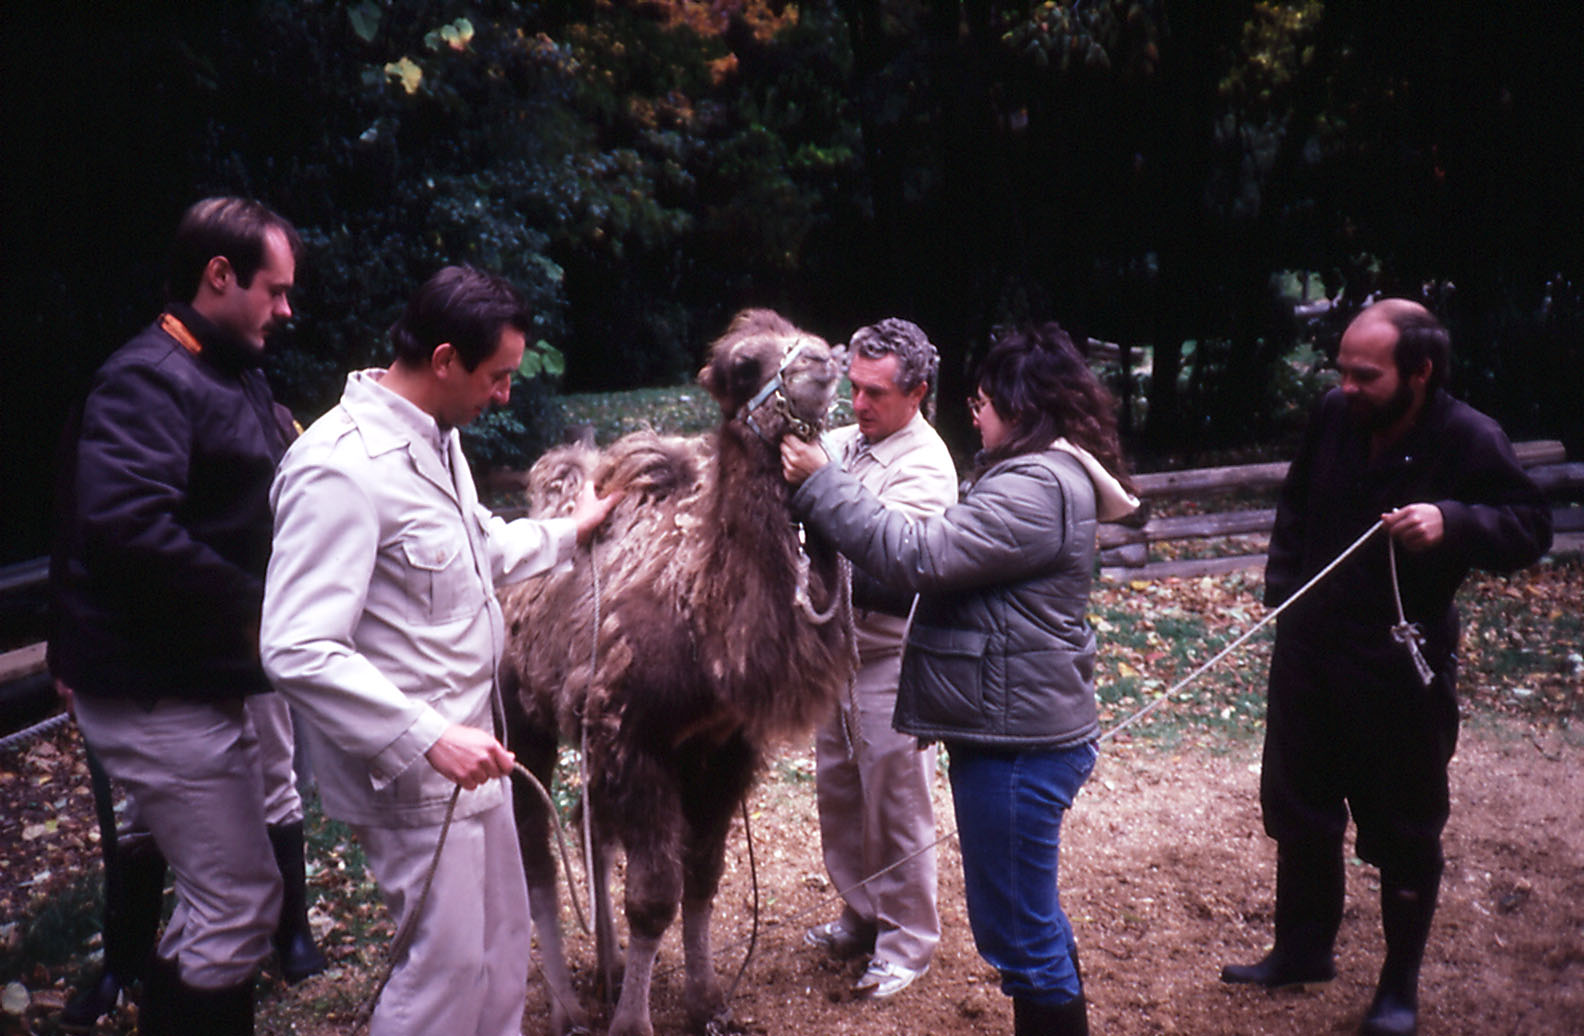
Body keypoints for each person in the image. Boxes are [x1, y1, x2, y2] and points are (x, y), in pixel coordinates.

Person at [259, 265, 621, 1036]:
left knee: (494, 953)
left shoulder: (433, 437)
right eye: (498, 376)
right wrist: (427, 737)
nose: (505, 396)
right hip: (416, 773)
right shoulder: (340, 466)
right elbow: (295, 647)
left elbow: (476, 548)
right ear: (447, 358)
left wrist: (571, 531)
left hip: (473, 749)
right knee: (443, 975)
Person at [782, 323, 1139, 1036]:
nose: (974, 413)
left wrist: (820, 483)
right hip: (1010, 728)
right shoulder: (1030, 471)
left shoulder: (1035, 488)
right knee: (1025, 919)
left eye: (983, 402)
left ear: (1022, 406)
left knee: (1019, 933)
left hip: (1020, 744)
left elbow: (917, 556)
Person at [1220, 299, 1553, 1035]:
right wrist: (1285, 603)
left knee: (1405, 828)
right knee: (1299, 808)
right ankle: (1302, 952)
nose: (1345, 386)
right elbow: (1295, 509)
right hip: (1310, 651)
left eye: (1364, 375)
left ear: (1421, 372)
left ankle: (1397, 990)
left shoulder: (1470, 438)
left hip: (1400, 664)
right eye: (1340, 370)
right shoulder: (1333, 418)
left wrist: (1454, 522)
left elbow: (1530, 527)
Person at [48, 197, 327, 1035]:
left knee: (228, 898)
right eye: (274, 291)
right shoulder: (149, 377)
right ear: (219, 275)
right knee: (241, 901)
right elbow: (129, 529)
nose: (287, 309)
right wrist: (269, 612)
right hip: (152, 690)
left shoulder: (230, 372)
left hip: (199, 680)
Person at [800, 319, 958, 999]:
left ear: (917, 391)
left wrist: (813, 490)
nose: (858, 405)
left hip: (891, 656)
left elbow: (891, 571)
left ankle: (907, 942)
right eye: (854, 389)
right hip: (835, 652)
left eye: (876, 394)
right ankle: (862, 916)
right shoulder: (846, 442)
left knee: (894, 804)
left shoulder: (926, 463)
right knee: (840, 796)